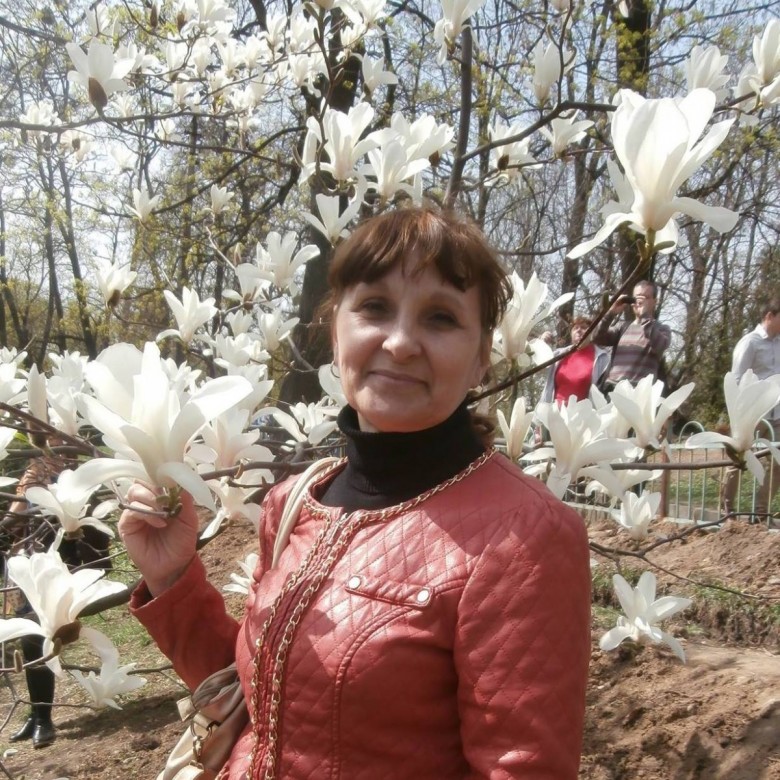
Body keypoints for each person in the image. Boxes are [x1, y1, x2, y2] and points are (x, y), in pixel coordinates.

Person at [119, 207, 592, 780]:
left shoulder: (524, 536)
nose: (399, 343)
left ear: (481, 359)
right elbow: (260, 695)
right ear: (335, 327)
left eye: (440, 318)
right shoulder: (295, 501)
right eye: (374, 307)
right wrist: (173, 578)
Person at [1, 439, 111, 748]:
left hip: (68, 573)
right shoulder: (33, 479)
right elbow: (10, 525)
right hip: (34, 571)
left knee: (33, 637)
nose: (57, 451)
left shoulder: (82, 479)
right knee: (30, 639)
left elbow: (96, 540)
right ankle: (37, 714)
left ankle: (42, 719)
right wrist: (26, 493)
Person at [720, 298, 780, 519]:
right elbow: (737, 378)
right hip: (752, 414)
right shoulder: (750, 342)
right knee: (739, 459)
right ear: (770, 316)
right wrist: (738, 414)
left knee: (777, 463)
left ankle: (761, 514)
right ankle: (727, 511)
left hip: (776, 414)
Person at [593, 280, 671, 393]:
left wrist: (645, 316)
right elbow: (597, 338)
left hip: (639, 392)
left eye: (646, 298)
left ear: (655, 301)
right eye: (637, 298)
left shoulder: (662, 329)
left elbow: (659, 345)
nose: (639, 301)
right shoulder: (622, 327)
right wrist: (610, 313)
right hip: (613, 390)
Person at [540, 316, 610, 406]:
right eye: (575, 328)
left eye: (584, 327)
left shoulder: (602, 358)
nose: (579, 330)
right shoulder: (559, 355)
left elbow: (604, 390)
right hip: (555, 414)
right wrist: (542, 344)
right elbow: (540, 367)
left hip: (583, 416)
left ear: (592, 332)